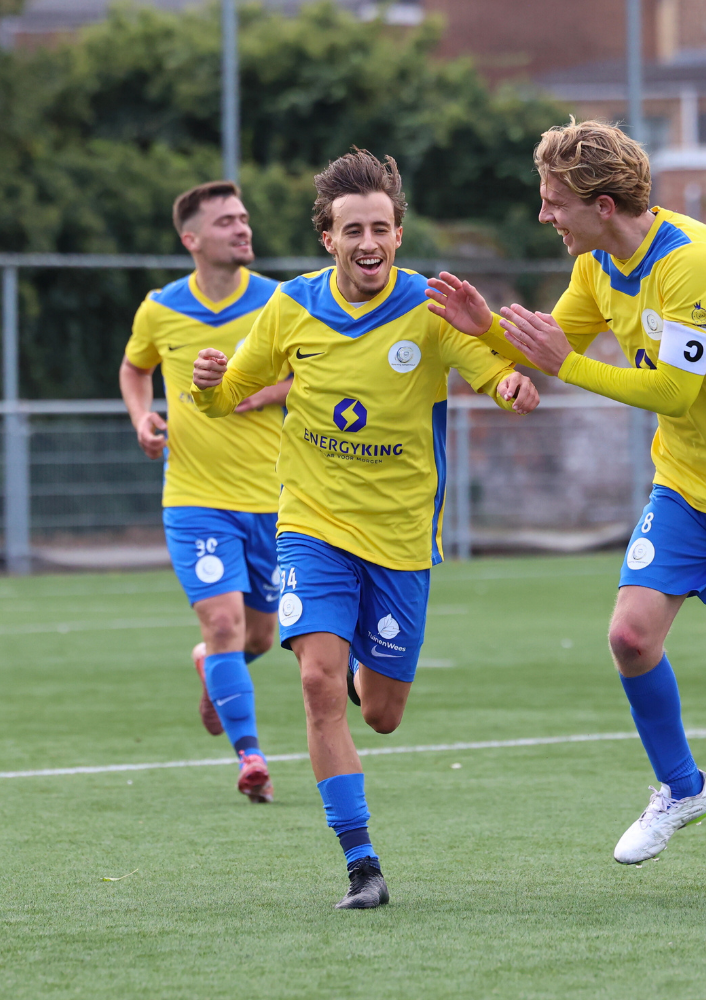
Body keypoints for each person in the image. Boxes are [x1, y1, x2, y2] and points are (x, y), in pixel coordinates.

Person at [427, 119, 706, 893]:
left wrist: (566, 367)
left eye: (554, 202)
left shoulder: (694, 264)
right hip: (686, 486)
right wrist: (488, 330)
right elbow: (555, 342)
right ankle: (684, 788)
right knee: (629, 636)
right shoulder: (596, 264)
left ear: (601, 202)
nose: (544, 216)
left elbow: (671, 389)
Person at [190, 149, 539, 909]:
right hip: (311, 525)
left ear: (399, 234)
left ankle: (357, 664)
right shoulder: (290, 308)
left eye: (381, 228)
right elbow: (231, 396)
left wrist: (510, 383)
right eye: (353, 230)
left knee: (379, 713)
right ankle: (362, 865)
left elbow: (490, 369)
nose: (368, 242)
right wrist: (211, 386)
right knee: (317, 682)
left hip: (403, 540)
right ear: (327, 237)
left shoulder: (430, 307)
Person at [120, 180, 290, 804]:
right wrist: (142, 416)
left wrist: (263, 393)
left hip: (273, 499)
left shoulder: (280, 302)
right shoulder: (159, 308)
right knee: (222, 623)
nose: (242, 228)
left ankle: (212, 670)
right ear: (192, 240)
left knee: (257, 638)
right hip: (193, 496)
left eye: (244, 218)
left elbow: (311, 374)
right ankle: (251, 758)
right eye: (226, 222)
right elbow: (135, 367)